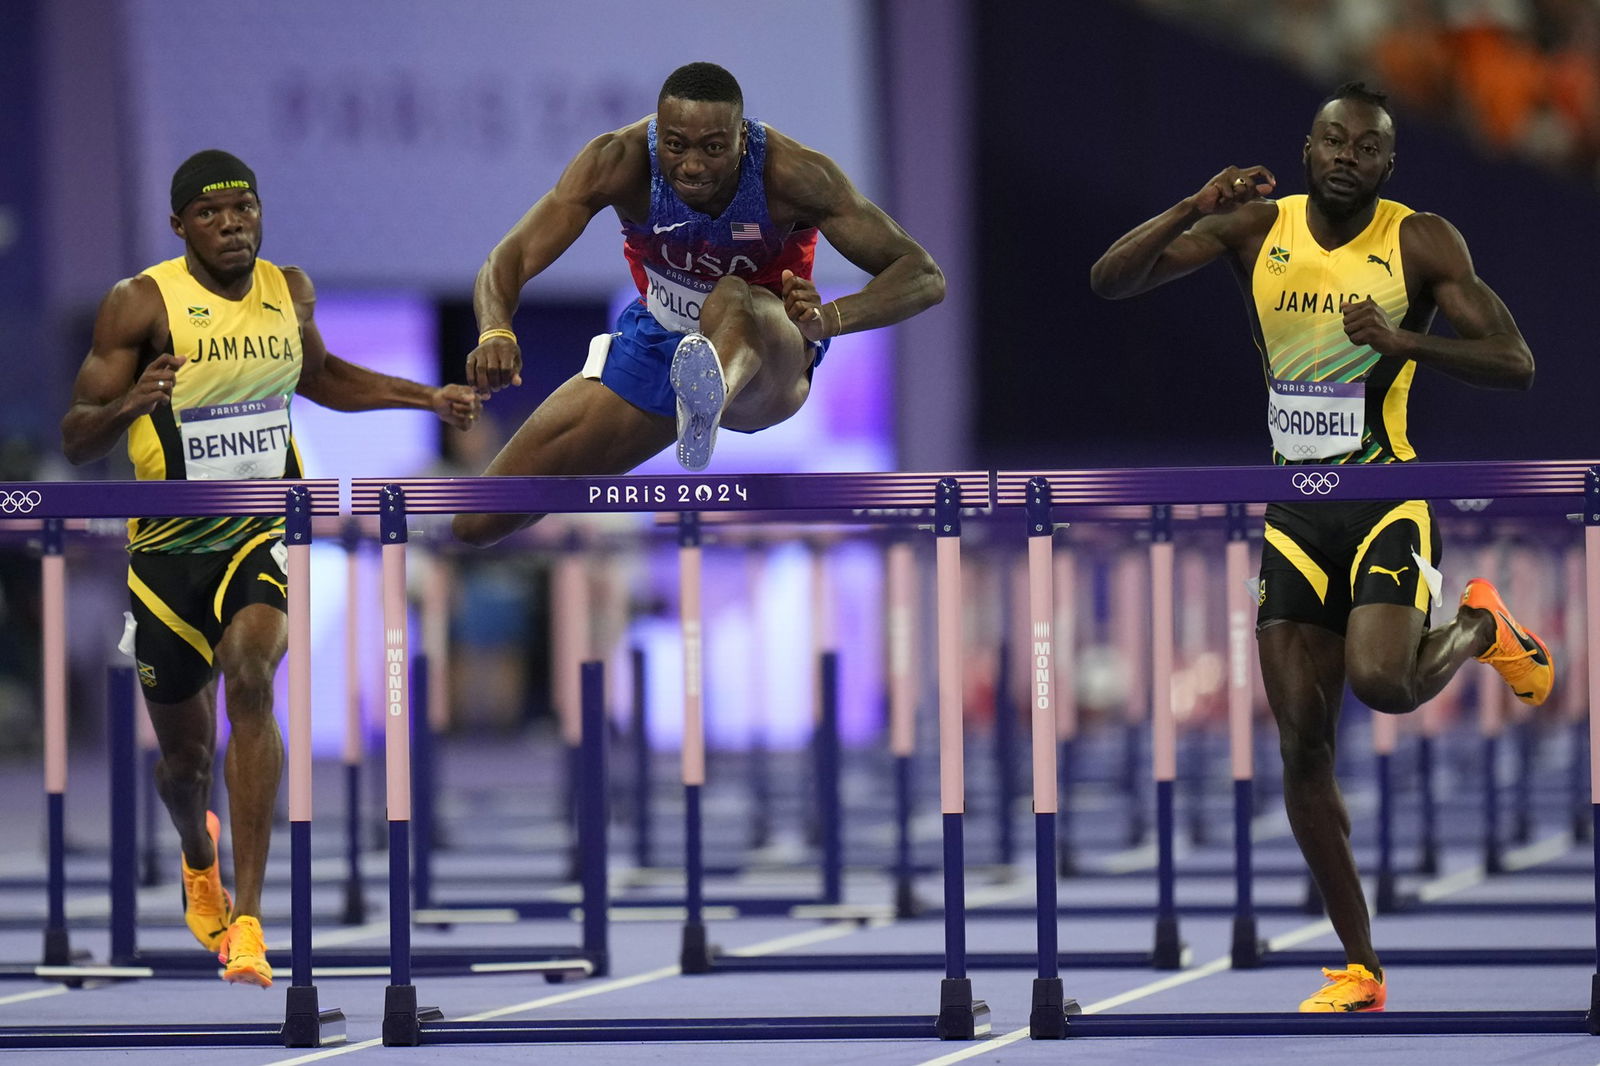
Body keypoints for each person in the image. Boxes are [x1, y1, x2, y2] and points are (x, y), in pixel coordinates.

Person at [1090, 82, 1552, 1013]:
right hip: (1291, 512)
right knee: (1304, 744)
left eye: (1366, 146)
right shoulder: (1257, 228)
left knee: (1384, 684)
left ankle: (1476, 625)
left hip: (1384, 494)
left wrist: (1402, 340)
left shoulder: (1422, 242)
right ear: (1307, 150)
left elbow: (1515, 361)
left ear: (1388, 164)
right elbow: (1111, 280)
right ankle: (1362, 969)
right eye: (1332, 140)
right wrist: (1195, 204)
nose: (1346, 155)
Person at [60, 150, 481, 987]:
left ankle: (249, 923)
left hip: (263, 528)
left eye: (245, 209)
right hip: (168, 550)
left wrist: (423, 398)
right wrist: (129, 405)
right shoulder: (139, 303)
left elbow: (323, 378)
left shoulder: (290, 291)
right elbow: (76, 435)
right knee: (183, 768)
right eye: (212, 215)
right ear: (179, 226)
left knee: (252, 675)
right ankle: (197, 854)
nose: (232, 225)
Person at [452, 60, 943, 546]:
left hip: (766, 357)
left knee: (731, 295)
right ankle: (694, 400)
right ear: (656, 133)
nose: (691, 165)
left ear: (742, 139)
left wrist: (831, 318)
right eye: (675, 145)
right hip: (658, 343)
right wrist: (496, 329)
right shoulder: (616, 161)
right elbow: (508, 256)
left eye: (713, 149)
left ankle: (706, 397)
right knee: (478, 520)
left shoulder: (794, 175)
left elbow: (922, 274)